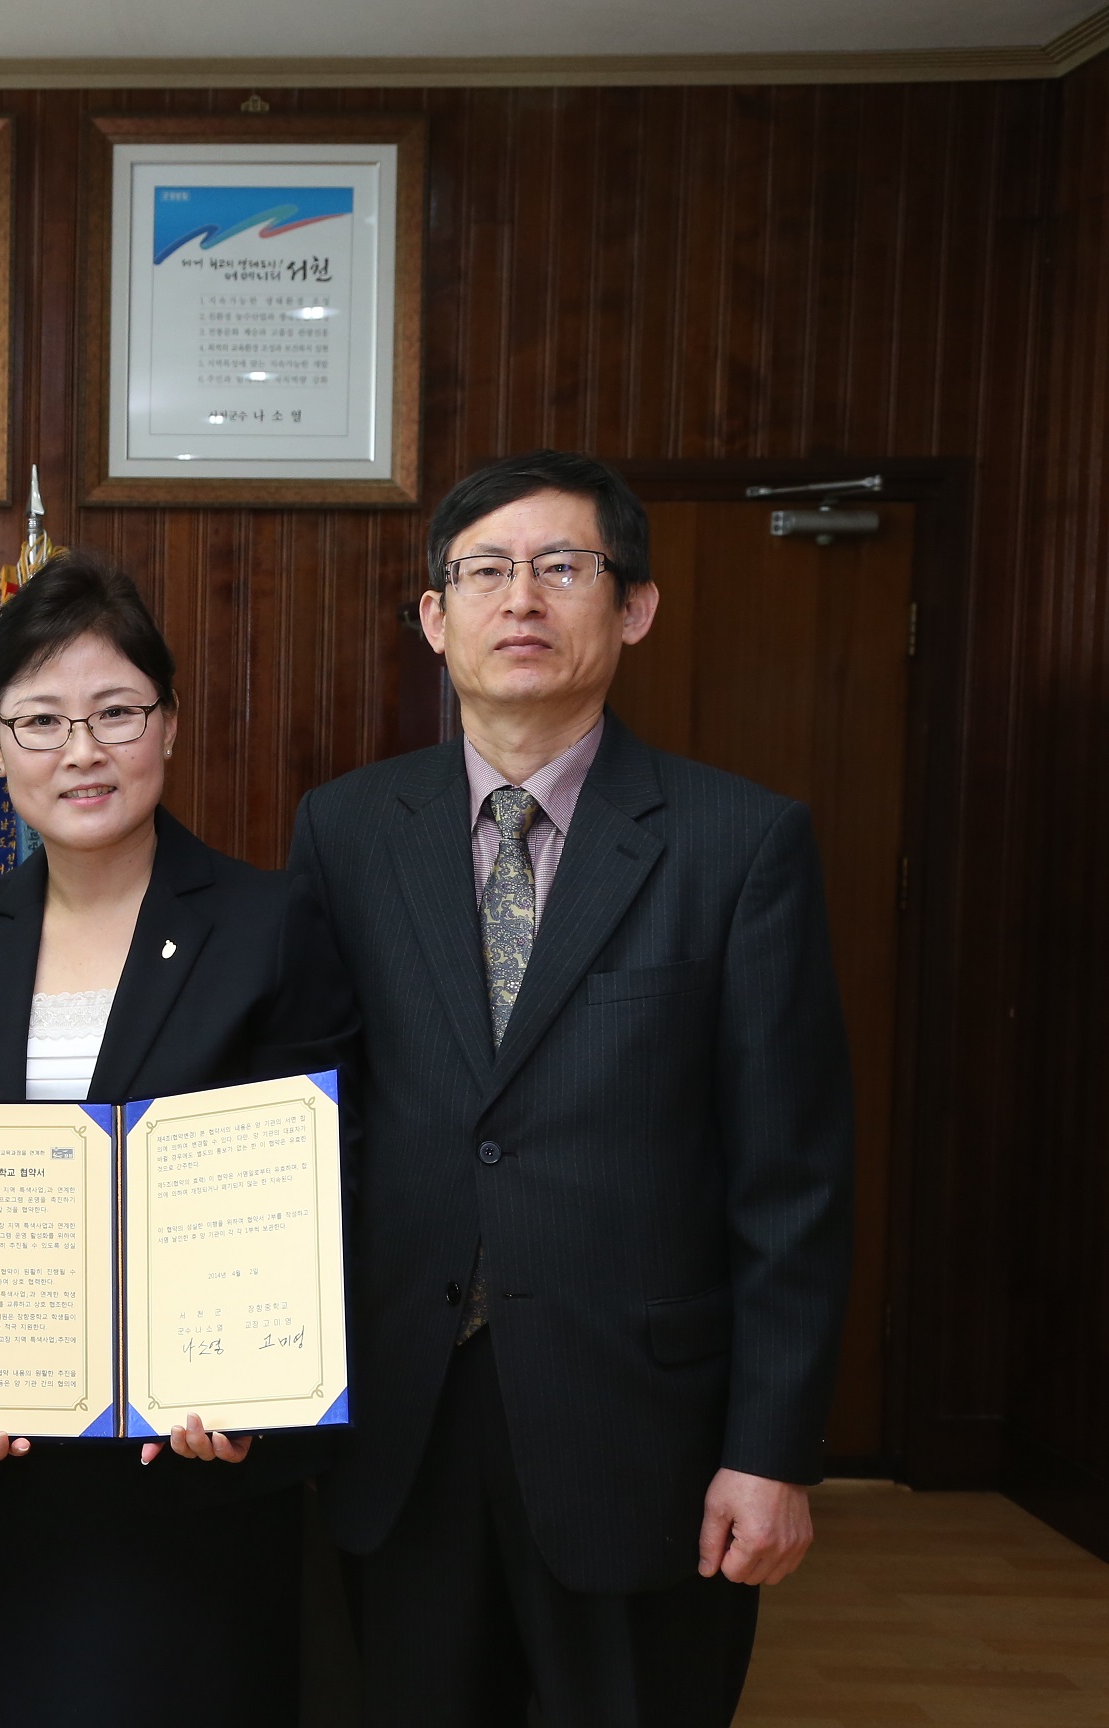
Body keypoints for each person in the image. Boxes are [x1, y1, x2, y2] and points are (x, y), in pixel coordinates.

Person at [291, 450, 855, 1726]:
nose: (521, 600)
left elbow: (793, 1181)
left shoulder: (739, 844)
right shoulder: (345, 830)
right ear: (436, 620)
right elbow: (323, 1125)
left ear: (635, 605)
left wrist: (770, 1450)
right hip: (403, 1425)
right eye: (484, 572)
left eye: (563, 567)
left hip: (640, 1438)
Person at [0, 553, 357, 1725]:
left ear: (168, 725)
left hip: (190, 1482)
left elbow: (320, 1198)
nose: (81, 752)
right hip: (1, 1473)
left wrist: (251, 1391)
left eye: (115, 713)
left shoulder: (270, 923)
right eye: (41, 721)